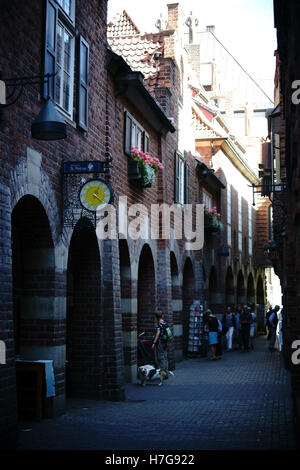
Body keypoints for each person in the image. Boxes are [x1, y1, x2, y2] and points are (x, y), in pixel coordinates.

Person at [152, 311, 169, 384]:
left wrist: (154, 342)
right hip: (165, 343)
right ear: (162, 316)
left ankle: (163, 375)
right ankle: (166, 373)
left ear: (156, 317)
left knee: (161, 358)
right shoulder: (165, 323)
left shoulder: (159, 324)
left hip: (160, 343)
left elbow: (158, 333)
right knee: (165, 358)